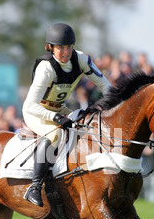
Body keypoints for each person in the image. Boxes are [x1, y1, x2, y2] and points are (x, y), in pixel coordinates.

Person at [22, 22, 111, 207]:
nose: (65, 52)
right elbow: (30, 105)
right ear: (50, 48)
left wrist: (112, 105)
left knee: (87, 127)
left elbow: (105, 85)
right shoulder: (46, 68)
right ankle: (34, 187)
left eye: (69, 47)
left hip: (59, 108)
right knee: (55, 134)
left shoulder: (82, 60)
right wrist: (55, 118)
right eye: (60, 48)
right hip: (37, 112)